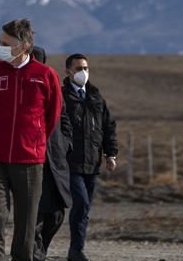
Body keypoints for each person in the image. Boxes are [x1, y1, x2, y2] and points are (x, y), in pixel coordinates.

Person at [0, 19, 62, 261]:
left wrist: (34, 140)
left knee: (27, 221)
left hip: (29, 160)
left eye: (5, 44)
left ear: (23, 47)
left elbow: (52, 116)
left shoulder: (45, 76)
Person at [62, 54, 117, 261]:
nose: (83, 73)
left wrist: (110, 154)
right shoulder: (62, 97)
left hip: (92, 163)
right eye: (78, 69)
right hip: (70, 163)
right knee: (81, 203)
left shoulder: (96, 97)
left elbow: (108, 127)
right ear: (68, 72)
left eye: (85, 68)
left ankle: (76, 250)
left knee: (84, 209)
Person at [31, 48, 73, 261]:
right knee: (34, 215)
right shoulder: (21, 87)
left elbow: (64, 118)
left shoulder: (52, 85)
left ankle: (40, 251)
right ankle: (35, 255)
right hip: (31, 159)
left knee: (56, 215)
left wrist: (65, 143)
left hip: (55, 159)